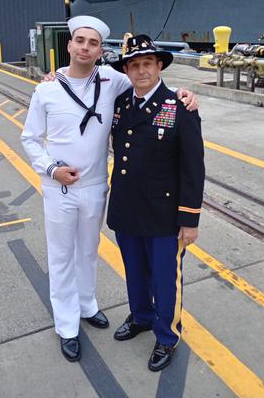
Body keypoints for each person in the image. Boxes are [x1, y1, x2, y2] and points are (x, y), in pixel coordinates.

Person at [21, 16, 198, 363]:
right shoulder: (47, 88)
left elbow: (152, 84)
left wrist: (186, 95)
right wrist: (51, 168)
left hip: (99, 188)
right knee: (61, 258)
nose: (86, 48)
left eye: (93, 43)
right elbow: (29, 138)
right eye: (80, 41)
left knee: (88, 252)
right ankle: (67, 325)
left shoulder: (113, 82)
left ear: (101, 51)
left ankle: (88, 306)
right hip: (60, 188)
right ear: (69, 45)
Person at [107, 34, 205, 372]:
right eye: (134, 65)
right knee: (134, 272)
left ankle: (166, 336)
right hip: (127, 207)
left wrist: (189, 219)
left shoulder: (179, 105)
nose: (141, 70)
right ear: (127, 70)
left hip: (164, 215)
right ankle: (142, 317)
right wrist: (52, 77)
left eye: (147, 63)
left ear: (159, 65)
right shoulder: (120, 104)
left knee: (165, 278)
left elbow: (193, 168)